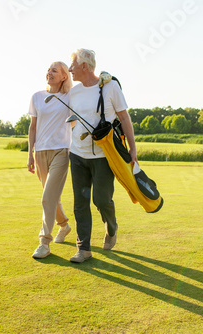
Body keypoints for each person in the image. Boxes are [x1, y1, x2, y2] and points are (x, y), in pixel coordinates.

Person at [68, 48, 138, 263]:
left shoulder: (110, 87)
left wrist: (133, 148)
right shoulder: (74, 92)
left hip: (104, 155)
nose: (70, 70)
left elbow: (124, 118)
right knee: (80, 202)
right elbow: (72, 119)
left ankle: (111, 228)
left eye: (73, 65)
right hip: (77, 155)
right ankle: (84, 249)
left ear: (84, 66)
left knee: (101, 200)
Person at [28, 61, 74, 259]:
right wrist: (30, 153)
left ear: (64, 76)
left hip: (61, 152)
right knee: (51, 197)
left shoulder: (70, 97)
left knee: (47, 197)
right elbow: (33, 127)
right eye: (48, 70)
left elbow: (75, 122)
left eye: (54, 70)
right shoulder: (37, 97)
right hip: (40, 153)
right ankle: (64, 226)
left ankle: (44, 242)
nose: (49, 73)